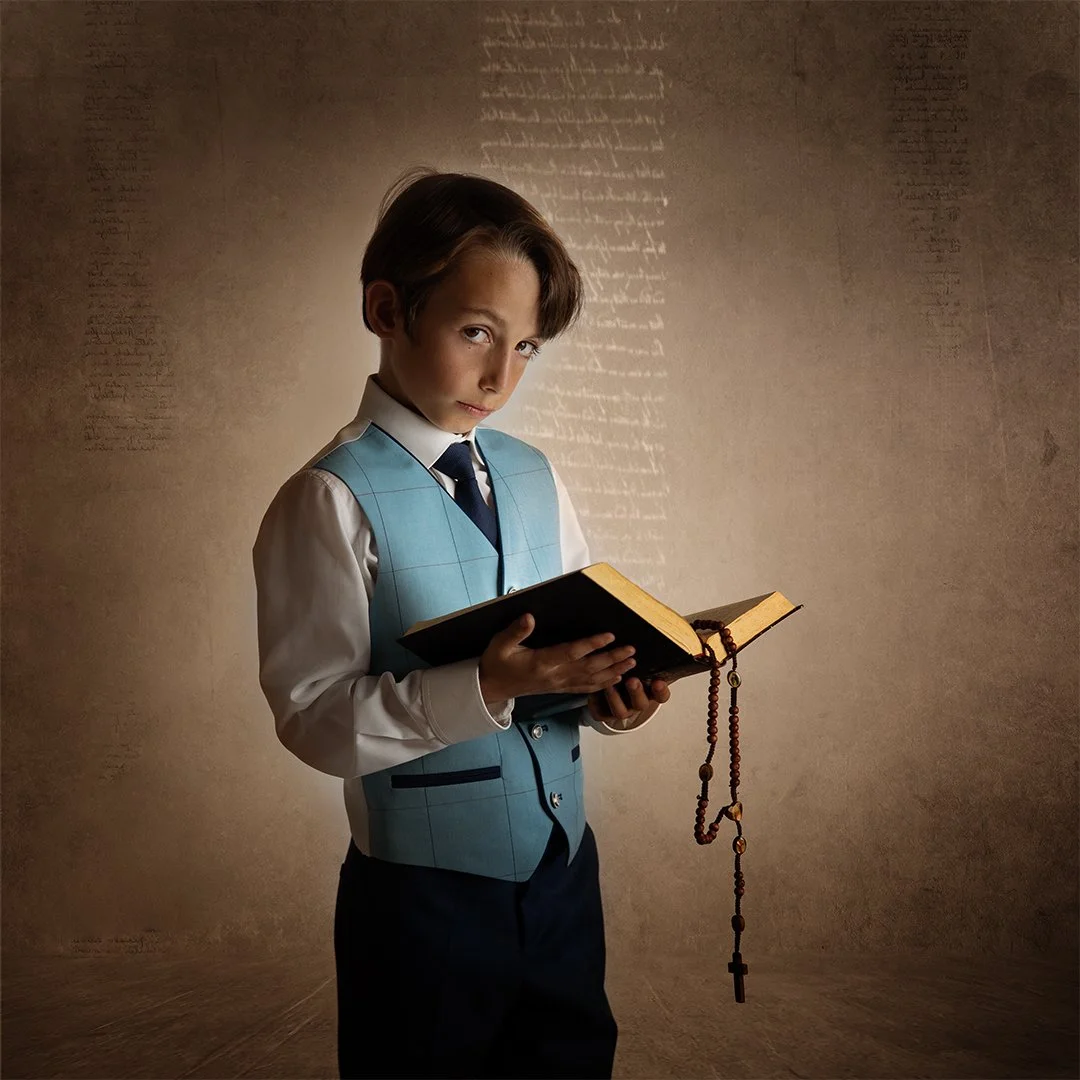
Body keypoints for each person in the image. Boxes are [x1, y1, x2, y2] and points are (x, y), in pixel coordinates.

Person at [252, 168, 670, 1080]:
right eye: (477, 332)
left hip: (563, 871)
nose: (500, 376)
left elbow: (570, 648)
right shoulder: (326, 499)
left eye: (525, 347)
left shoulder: (533, 472)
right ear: (387, 307)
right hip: (420, 899)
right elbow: (312, 717)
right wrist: (486, 687)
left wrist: (609, 698)